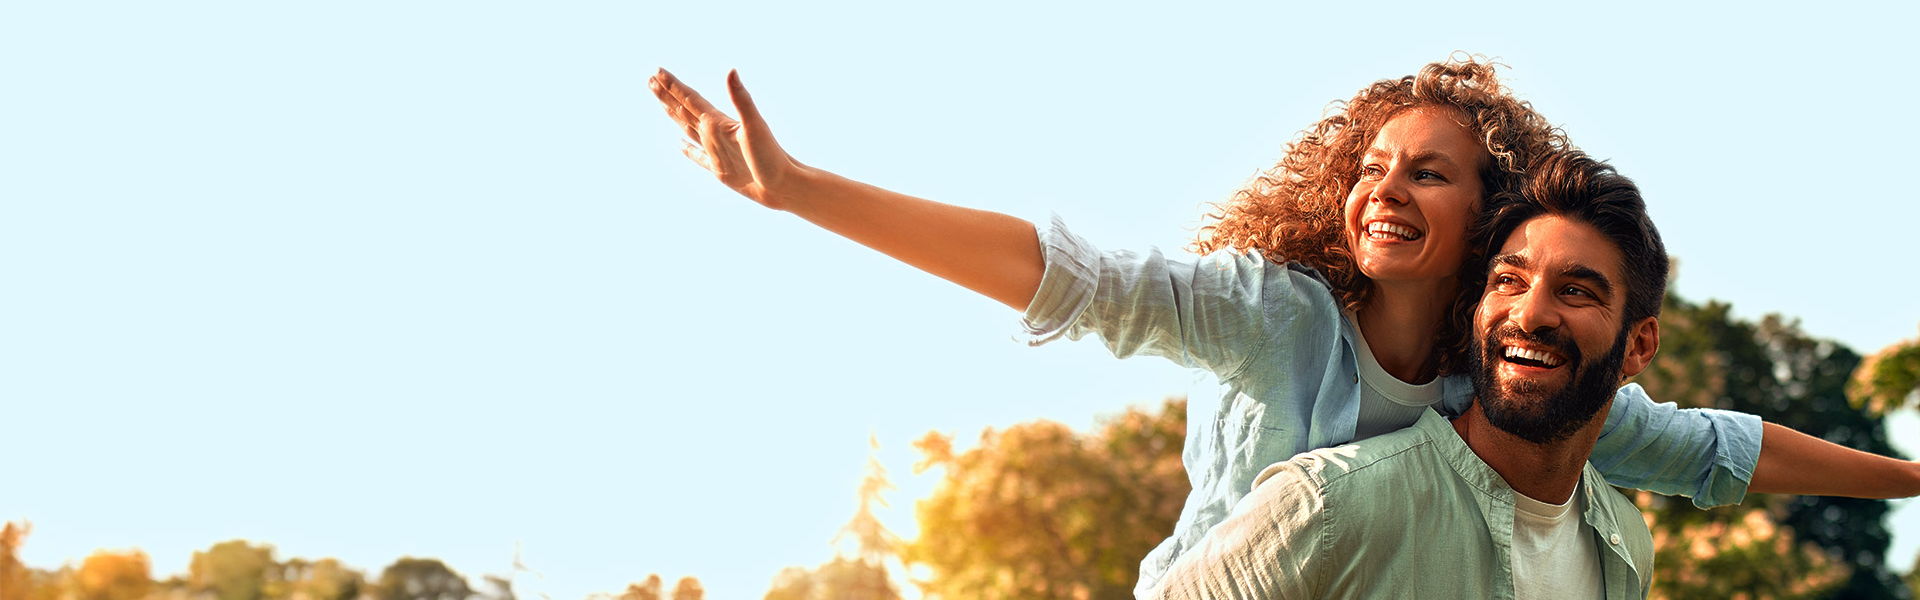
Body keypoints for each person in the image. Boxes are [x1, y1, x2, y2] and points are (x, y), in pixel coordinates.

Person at [645, 57, 1920, 596]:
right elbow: (1066, 273)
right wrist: (801, 189)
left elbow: (1716, 449)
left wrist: (1909, 476)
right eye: (1372, 164)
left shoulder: (1513, 372)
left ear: (1485, 215)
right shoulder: (1272, 316)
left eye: (1429, 171)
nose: (1385, 187)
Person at [1154, 150, 1681, 599]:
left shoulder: (1623, 541)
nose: (1530, 314)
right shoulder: (1326, 504)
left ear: (1638, 345)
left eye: (1575, 291)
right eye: (1509, 280)